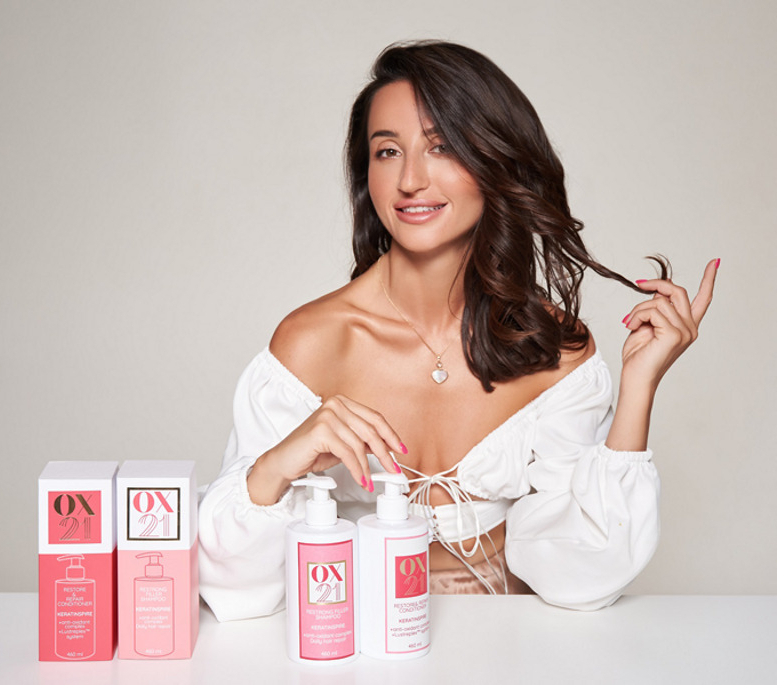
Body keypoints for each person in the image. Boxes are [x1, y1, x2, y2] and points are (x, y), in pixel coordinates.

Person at [197, 41, 718, 620]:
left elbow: (581, 577)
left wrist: (639, 386)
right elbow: (235, 589)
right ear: (366, 174)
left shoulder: (552, 349)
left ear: (494, 161)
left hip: (514, 652)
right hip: (352, 647)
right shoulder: (311, 344)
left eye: (441, 146)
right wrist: (277, 465)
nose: (410, 179)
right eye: (387, 151)